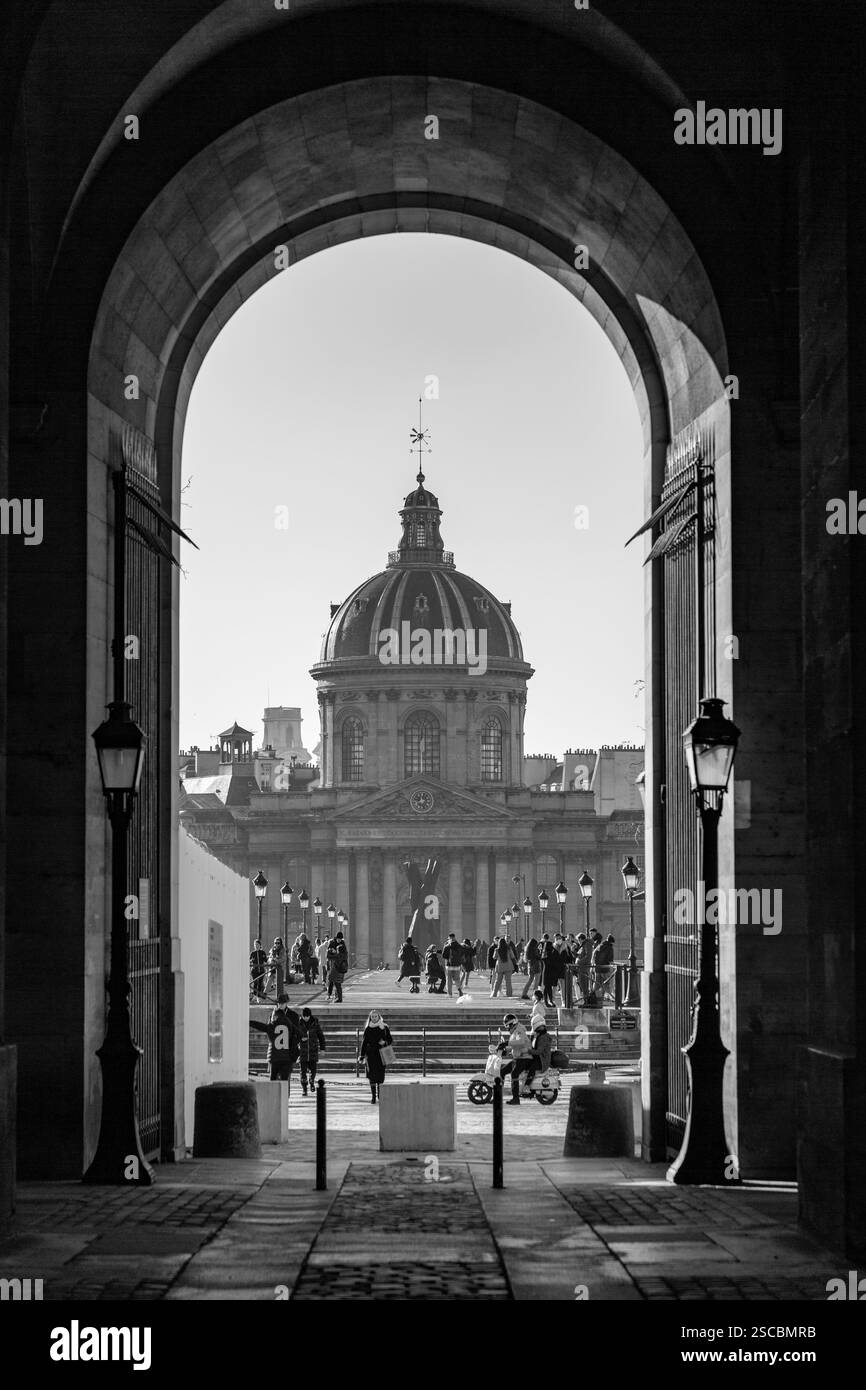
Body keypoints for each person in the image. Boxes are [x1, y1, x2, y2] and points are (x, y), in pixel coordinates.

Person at [249, 993, 301, 1095]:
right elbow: (269, 1029)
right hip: (275, 1050)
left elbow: (297, 1034)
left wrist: (291, 1046)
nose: (280, 1005)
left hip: (287, 1051)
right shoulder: (273, 1015)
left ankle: (285, 1097)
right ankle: (275, 1097)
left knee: (285, 1078)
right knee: (273, 1077)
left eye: (282, 1003)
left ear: (286, 1003)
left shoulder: (293, 1016)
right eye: (279, 1003)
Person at [359, 1009, 393, 1103]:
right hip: (371, 1055)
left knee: (380, 1076)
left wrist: (384, 1042)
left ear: (379, 1017)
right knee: (372, 1076)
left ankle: (380, 1095)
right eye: (372, 1017)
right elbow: (364, 1043)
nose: (374, 1018)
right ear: (370, 1018)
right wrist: (362, 1055)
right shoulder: (368, 1028)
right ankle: (373, 1096)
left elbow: (390, 1039)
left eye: (376, 1016)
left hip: (381, 1054)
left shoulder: (384, 1027)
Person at [500, 1012, 532, 1104]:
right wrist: (506, 1050)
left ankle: (516, 1099)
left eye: (507, 1025)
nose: (507, 1028)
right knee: (502, 1071)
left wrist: (507, 1043)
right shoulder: (514, 1031)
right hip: (518, 1058)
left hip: (525, 1058)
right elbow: (515, 1046)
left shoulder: (519, 1030)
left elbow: (521, 1042)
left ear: (512, 1024)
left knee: (514, 1074)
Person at [298, 1006, 326, 1095]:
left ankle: (311, 1081)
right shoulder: (298, 1023)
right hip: (302, 1051)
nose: (305, 1018)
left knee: (313, 1070)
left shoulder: (315, 1024)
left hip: (313, 1050)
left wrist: (322, 1049)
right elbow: (294, 1035)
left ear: (310, 1016)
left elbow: (321, 1037)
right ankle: (304, 1088)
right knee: (302, 1072)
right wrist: (300, 1039)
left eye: (307, 1016)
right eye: (304, 1016)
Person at [591, 932, 615, 1002]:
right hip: (605, 968)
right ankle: (611, 997)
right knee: (606, 983)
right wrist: (612, 965)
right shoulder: (610, 948)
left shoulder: (600, 946)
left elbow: (594, 955)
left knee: (597, 984)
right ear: (611, 942)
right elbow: (610, 960)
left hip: (597, 968)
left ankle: (592, 996)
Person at [327, 931, 348, 1002]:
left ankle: (337, 996)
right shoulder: (332, 942)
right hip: (335, 963)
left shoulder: (342, 943)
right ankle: (331, 994)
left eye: (340, 939)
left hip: (338, 964)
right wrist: (332, 951)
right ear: (336, 938)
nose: (339, 940)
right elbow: (328, 953)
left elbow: (344, 953)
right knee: (333, 980)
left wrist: (336, 953)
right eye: (338, 939)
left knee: (336, 981)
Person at [442, 932, 465, 997]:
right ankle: (459, 989)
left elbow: (443, 956)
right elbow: (462, 955)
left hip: (449, 966)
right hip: (457, 966)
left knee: (449, 980)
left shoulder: (447, 946)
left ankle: (450, 994)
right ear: (454, 938)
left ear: (449, 938)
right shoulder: (459, 946)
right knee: (457, 979)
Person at [574, 932, 593, 1002]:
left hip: (584, 968)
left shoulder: (587, 945)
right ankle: (586, 1001)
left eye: (578, 940)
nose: (578, 942)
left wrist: (579, 962)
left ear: (581, 939)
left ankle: (586, 1001)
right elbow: (579, 955)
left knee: (584, 985)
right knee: (582, 984)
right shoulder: (583, 945)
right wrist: (573, 951)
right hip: (581, 968)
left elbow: (588, 956)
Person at [540, 937, 559, 1007]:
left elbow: (542, 959)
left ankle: (547, 1001)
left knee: (547, 987)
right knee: (548, 987)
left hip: (546, 971)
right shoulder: (554, 952)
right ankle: (549, 1000)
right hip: (552, 971)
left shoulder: (545, 954)